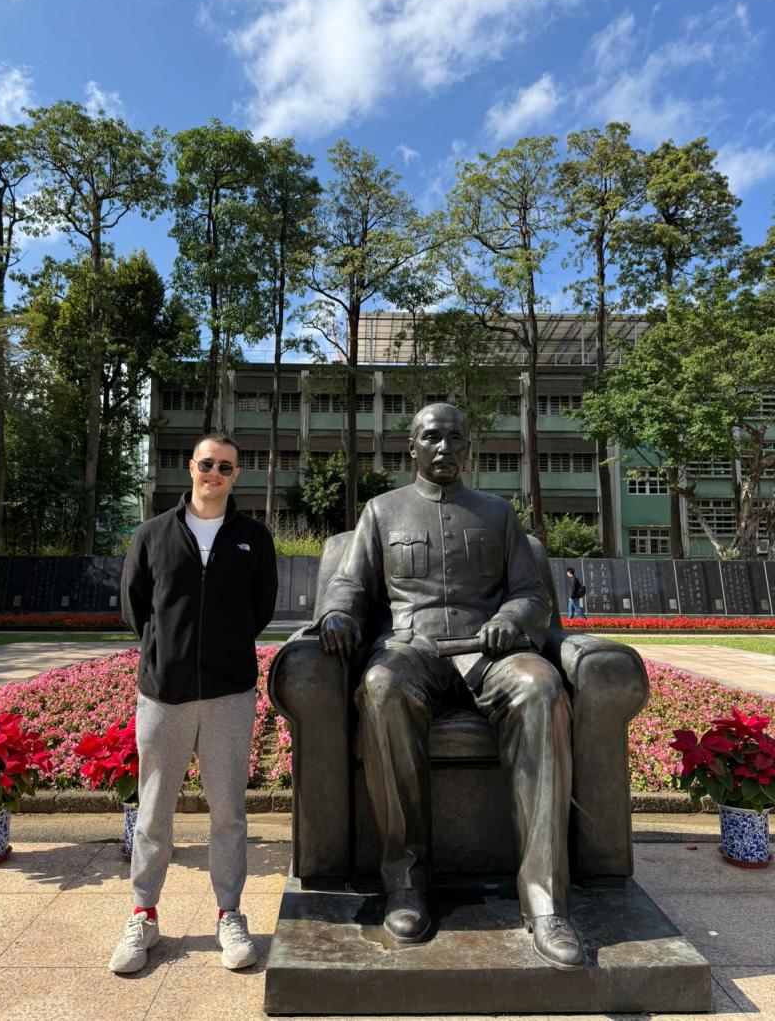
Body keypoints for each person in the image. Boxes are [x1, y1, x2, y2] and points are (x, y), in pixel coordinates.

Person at [319, 403, 584, 970]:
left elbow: (532, 595)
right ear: (411, 447)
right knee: (381, 687)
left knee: (541, 688)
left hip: (489, 655)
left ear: (471, 448)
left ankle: (544, 901)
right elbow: (349, 586)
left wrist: (513, 620)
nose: (444, 448)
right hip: (412, 650)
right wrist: (337, 616)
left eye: (455, 439)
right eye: (432, 438)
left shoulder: (498, 514)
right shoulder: (382, 512)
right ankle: (407, 883)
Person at [111, 432, 278, 975]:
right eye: (207, 464)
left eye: (226, 468)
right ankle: (143, 914)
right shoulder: (152, 534)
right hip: (164, 694)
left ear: (236, 476)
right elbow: (136, 607)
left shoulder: (254, 537)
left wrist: (222, 651)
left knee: (228, 812)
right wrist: (167, 652)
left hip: (229, 694)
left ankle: (229, 913)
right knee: (154, 812)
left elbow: (261, 609)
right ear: (190, 468)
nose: (214, 475)